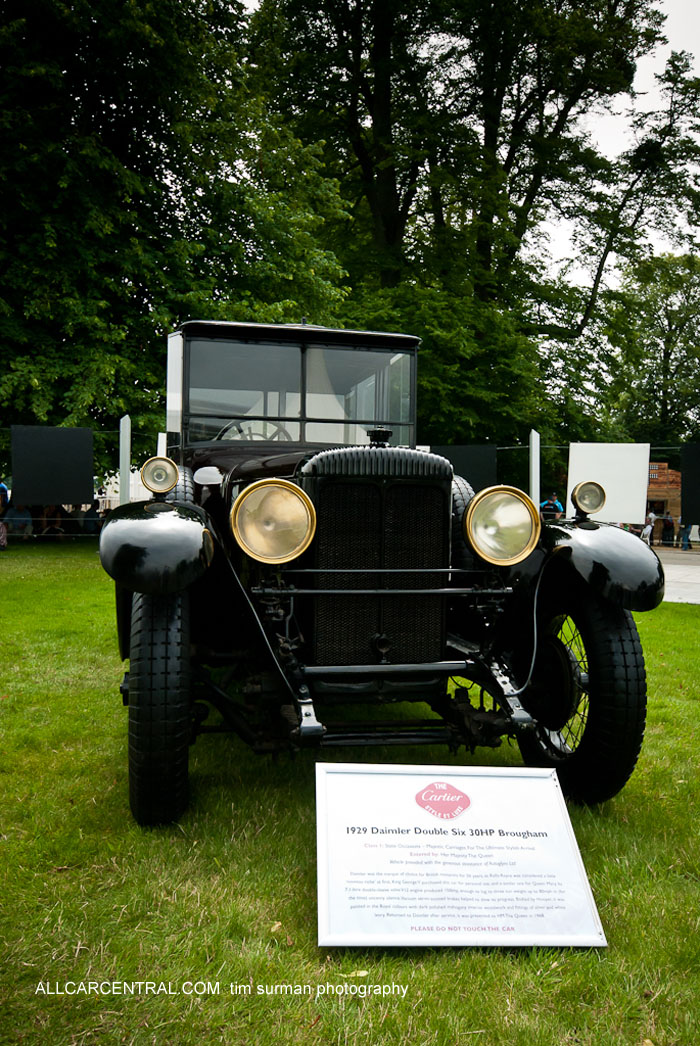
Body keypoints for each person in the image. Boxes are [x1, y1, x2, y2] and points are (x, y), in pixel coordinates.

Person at [0, 476, 8, 550]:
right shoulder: (3, 486)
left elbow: (1, 500)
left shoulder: (1, 487)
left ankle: (2, 543)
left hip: (2, 509)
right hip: (3, 509)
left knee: (1, 526)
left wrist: (0, 510)